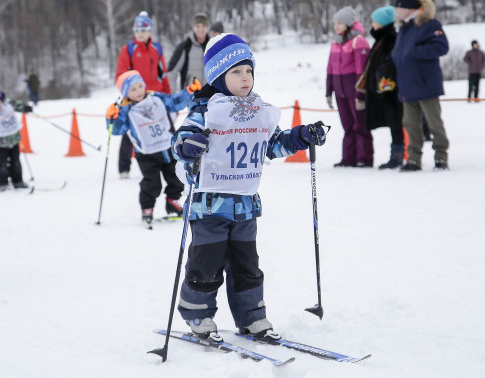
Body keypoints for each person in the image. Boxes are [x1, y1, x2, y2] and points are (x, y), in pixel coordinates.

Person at [171, 33, 328, 341]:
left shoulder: (258, 110)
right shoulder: (206, 109)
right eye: (236, 72)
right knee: (207, 262)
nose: (245, 78)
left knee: (248, 265)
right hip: (210, 206)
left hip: (245, 205)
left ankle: (252, 316)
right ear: (218, 76)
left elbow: (273, 145)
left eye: (249, 71)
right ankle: (197, 313)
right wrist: (188, 145)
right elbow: (182, 139)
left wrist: (300, 137)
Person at [106, 70, 200, 228]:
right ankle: (147, 208)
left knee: (176, 178)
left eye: (140, 86)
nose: (138, 91)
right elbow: (116, 130)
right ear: (125, 93)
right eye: (133, 89)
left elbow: (174, 102)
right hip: (146, 153)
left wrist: (188, 92)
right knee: (151, 183)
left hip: (167, 147)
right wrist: (111, 117)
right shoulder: (125, 109)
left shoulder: (156, 98)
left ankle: (172, 202)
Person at [391, 0, 450, 171]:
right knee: (410, 124)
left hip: (425, 84)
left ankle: (441, 157)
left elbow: (441, 47)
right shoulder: (404, 28)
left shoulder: (430, 24)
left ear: (410, 9)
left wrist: (413, 53)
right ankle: (414, 159)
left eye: (399, 7)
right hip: (407, 85)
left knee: (434, 123)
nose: (397, 10)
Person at [115, 11, 172, 180]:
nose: (140, 33)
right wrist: (127, 96)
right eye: (137, 30)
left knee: (167, 129)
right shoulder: (128, 50)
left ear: (149, 31)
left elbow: (163, 73)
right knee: (130, 133)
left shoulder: (157, 48)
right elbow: (121, 75)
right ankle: (124, 168)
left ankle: (175, 164)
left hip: (154, 97)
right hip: (135, 98)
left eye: (143, 30)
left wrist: (167, 93)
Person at [326, 7, 373, 167]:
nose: (336, 26)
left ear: (348, 23)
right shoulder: (335, 42)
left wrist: (361, 94)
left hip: (354, 92)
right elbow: (330, 69)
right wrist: (328, 92)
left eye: (339, 23)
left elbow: (362, 71)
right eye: (335, 23)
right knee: (347, 126)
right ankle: (349, 158)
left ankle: (364, 158)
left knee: (360, 126)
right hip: (341, 92)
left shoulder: (358, 41)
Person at [364, 6, 404, 169]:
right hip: (383, 90)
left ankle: (397, 156)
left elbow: (390, 64)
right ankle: (396, 155)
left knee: (395, 122)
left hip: (390, 90)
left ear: (382, 23)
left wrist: (383, 82)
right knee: (393, 122)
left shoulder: (390, 39)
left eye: (374, 21)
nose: (372, 24)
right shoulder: (381, 39)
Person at [167, 12, 211, 92]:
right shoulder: (185, 46)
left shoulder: (214, 46)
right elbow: (171, 72)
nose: (200, 29)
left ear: (207, 28)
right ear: (193, 28)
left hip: (211, 97)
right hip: (190, 96)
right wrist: (172, 96)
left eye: (203, 26)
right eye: (198, 26)